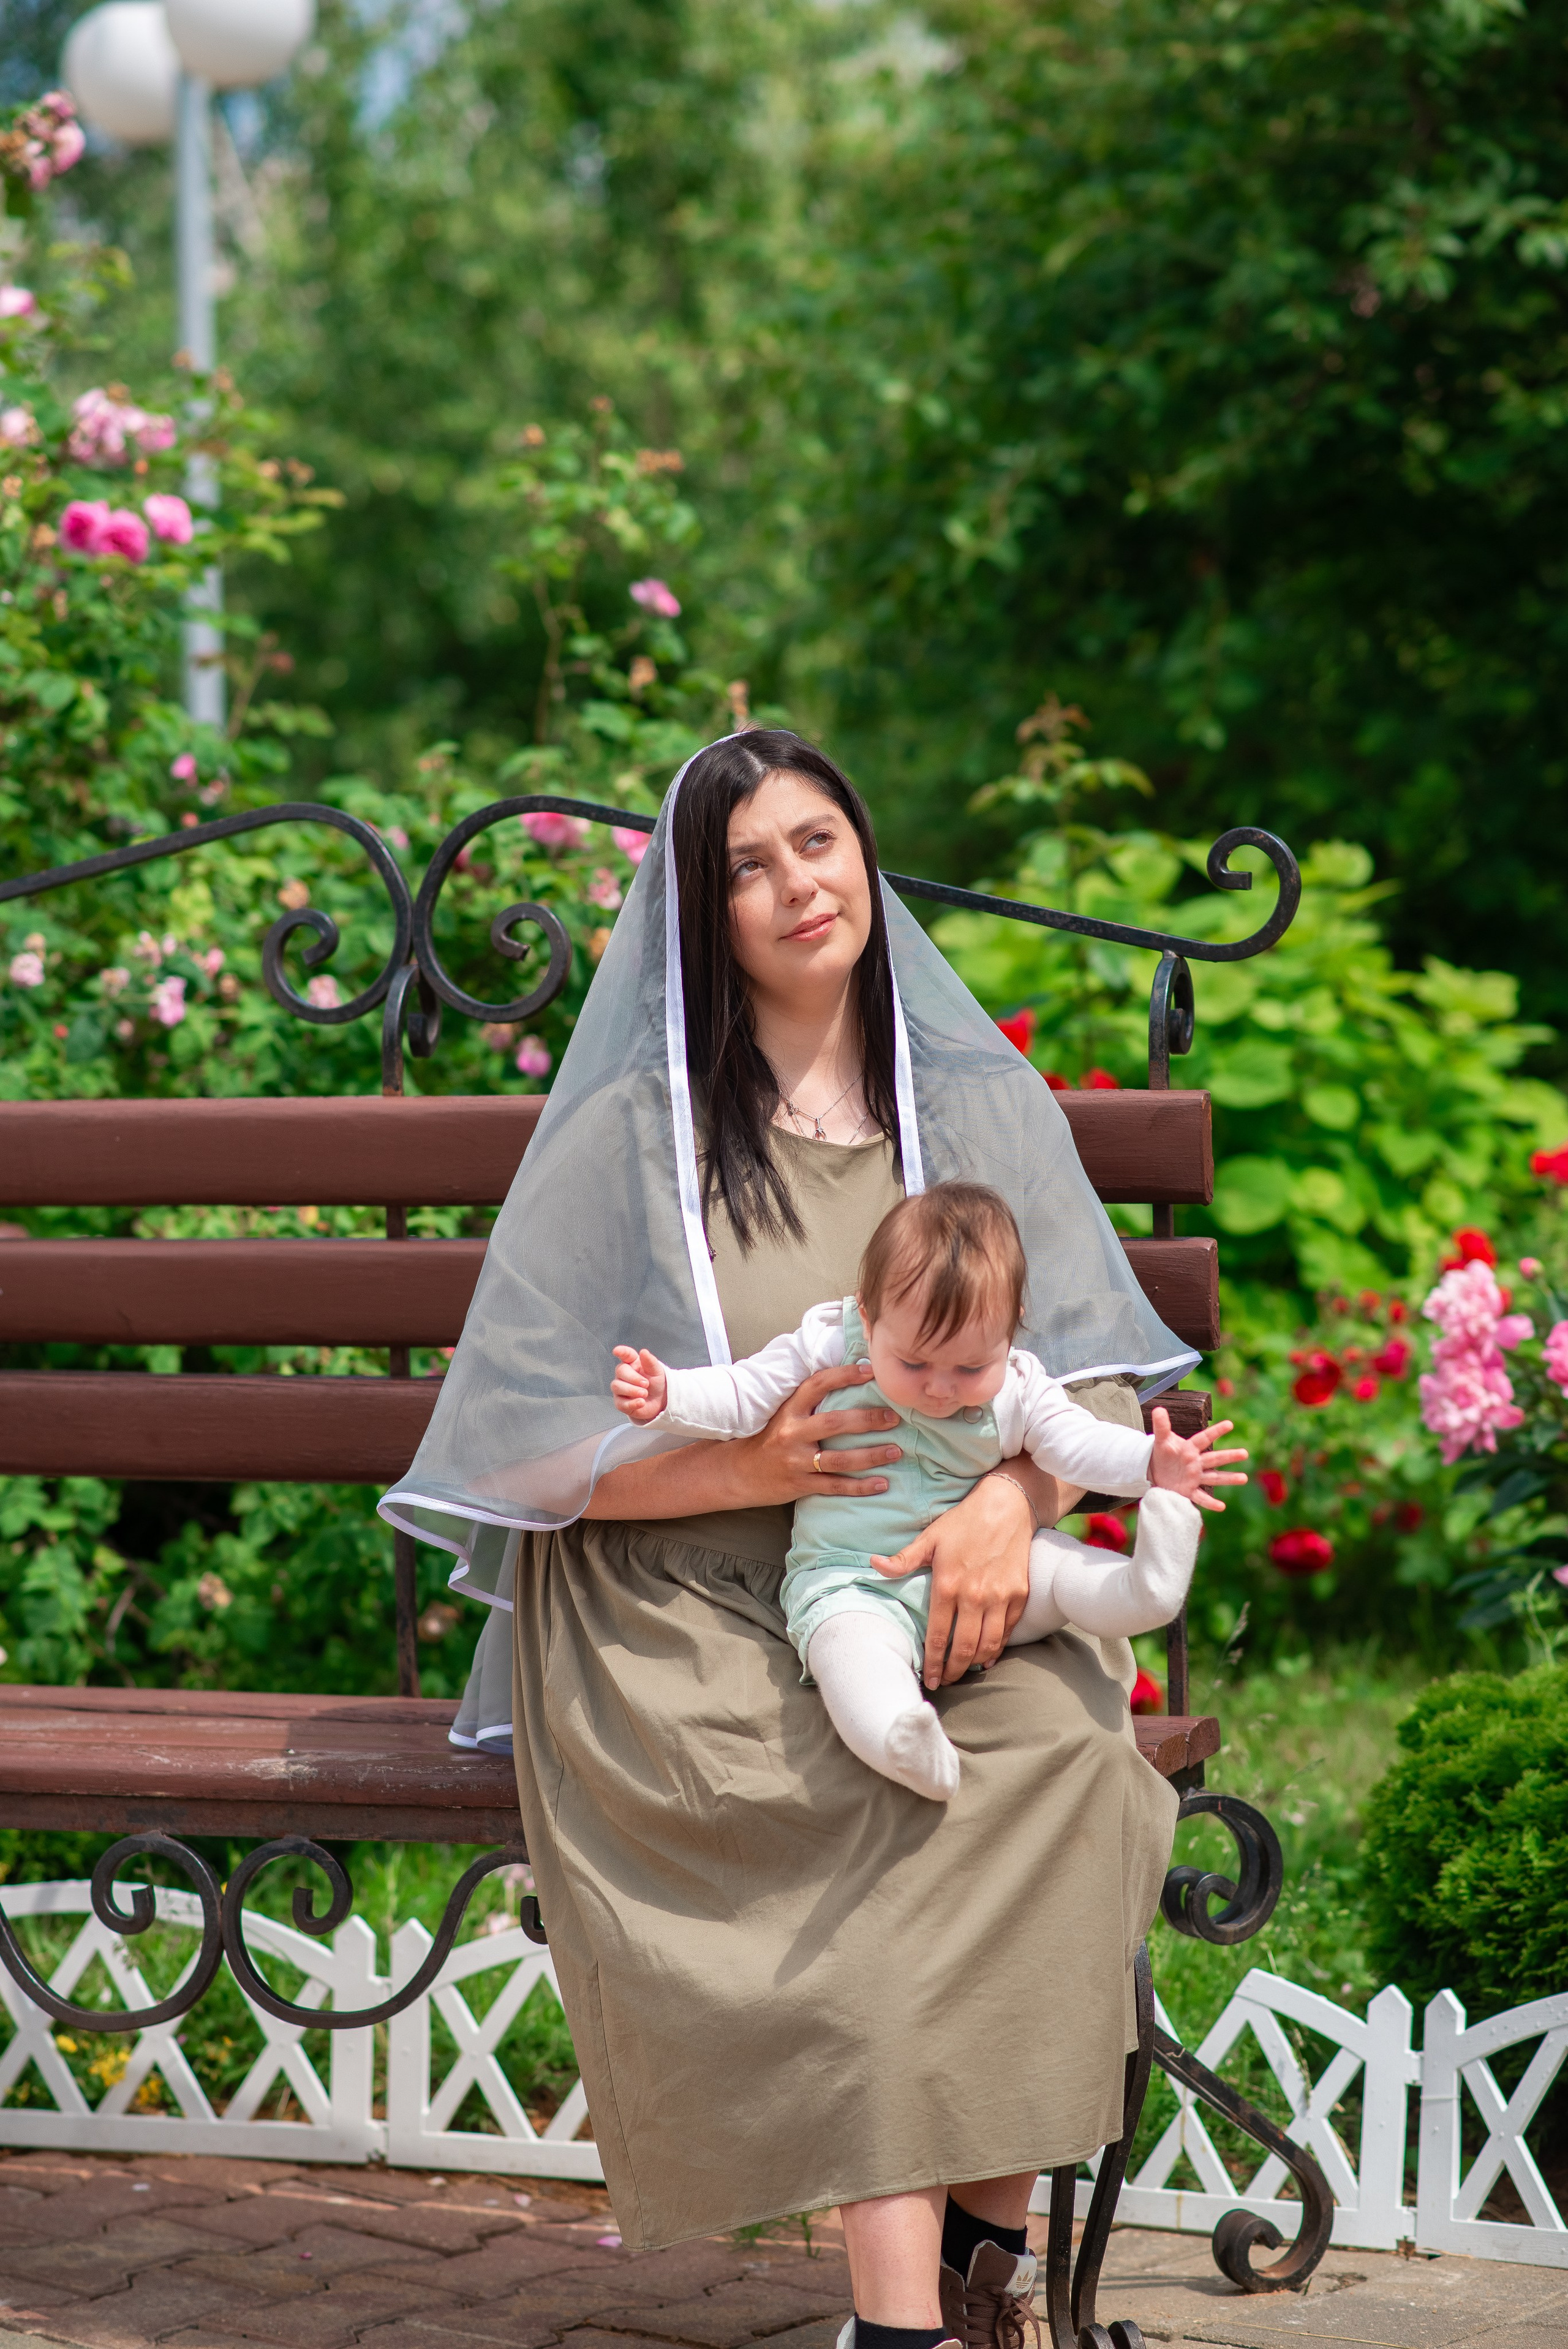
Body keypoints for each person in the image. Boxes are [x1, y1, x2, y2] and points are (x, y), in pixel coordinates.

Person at [381, 730, 1199, 2349]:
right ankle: (903, 2330)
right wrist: (740, 1458)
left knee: (1057, 1760)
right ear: (705, 908)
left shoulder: (970, 1101)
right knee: (857, 1832)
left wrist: (1005, 1505)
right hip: (672, 1600)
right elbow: (522, 1449)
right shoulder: (635, 1131)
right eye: (746, 865)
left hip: (934, 1579)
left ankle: (984, 2265)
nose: (793, 885)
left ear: (864, 856)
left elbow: (1088, 1380)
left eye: (816, 842)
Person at [609, 1180, 1244, 1800]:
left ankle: (1148, 1587)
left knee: (1061, 1573)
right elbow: (745, 1393)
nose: (940, 1387)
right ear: (867, 1313)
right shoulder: (831, 1344)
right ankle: (900, 1736)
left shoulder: (1018, 1386)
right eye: (913, 1363)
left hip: (989, 1576)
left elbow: (1075, 1444)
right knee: (847, 1652)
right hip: (854, 1578)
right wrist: (671, 1396)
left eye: (971, 1367)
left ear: (1011, 1328)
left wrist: (1150, 1464)